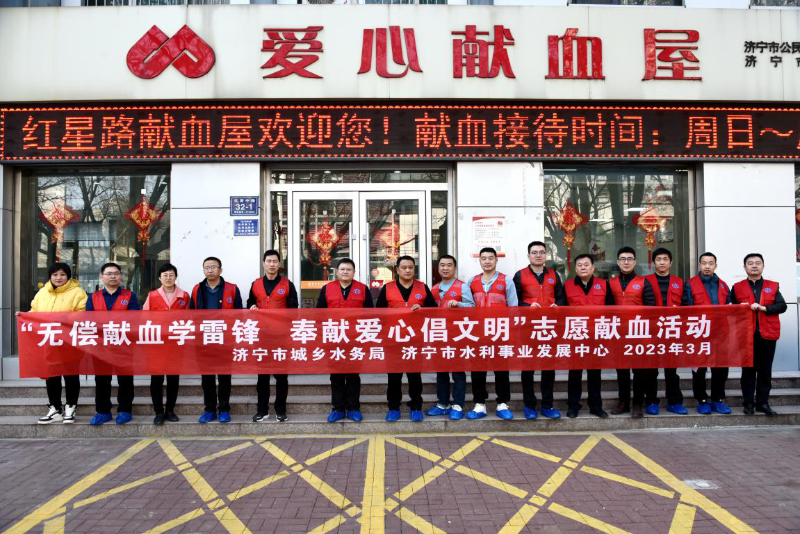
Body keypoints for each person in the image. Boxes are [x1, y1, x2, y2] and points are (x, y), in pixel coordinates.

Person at [375, 255, 437, 422]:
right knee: (394, 376)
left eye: (411, 267)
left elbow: (434, 310)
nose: (407, 270)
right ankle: (393, 407)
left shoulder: (422, 287)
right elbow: (379, 313)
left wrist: (422, 309)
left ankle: (416, 406)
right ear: (397, 270)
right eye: (404, 267)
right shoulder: (388, 288)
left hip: (415, 339)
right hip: (393, 339)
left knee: (414, 375)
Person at [28, 262, 88, 424]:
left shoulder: (78, 292)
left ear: (68, 276)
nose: (58, 278)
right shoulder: (43, 292)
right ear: (50, 276)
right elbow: (34, 312)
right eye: (55, 275)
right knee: (52, 376)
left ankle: (70, 407)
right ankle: (55, 408)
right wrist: (24, 316)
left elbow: (83, 313)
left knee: (71, 375)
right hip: (49, 342)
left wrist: (61, 319)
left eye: (62, 274)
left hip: (70, 342)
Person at [512, 240, 566, 420]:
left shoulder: (554, 274)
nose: (538, 255)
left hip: (549, 327)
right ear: (528, 256)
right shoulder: (520, 275)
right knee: (528, 368)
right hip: (528, 328)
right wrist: (527, 306)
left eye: (541, 252)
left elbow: (561, 297)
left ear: (546, 255)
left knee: (548, 367)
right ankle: (529, 405)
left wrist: (557, 306)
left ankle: (547, 405)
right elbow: (514, 301)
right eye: (534, 252)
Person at [317, 258, 373, 423]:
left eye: (349, 269)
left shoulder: (362, 289)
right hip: (334, 338)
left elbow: (370, 314)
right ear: (337, 272)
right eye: (342, 269)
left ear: (354, 272)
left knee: (353, 375)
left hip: (356, 339)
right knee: (336, 375)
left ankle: (354, 408)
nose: (345, 272)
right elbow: (319, 313)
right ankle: (338, 408)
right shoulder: (327, 289)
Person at [731, 253, 787, 416]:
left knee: (765, 371)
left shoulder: (773, 286)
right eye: (750, 263)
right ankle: (748, 403)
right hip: (746, 335)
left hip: (767, 335)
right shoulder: (737, 287)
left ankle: (763, 403)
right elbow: (730, 309)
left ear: (763, 266)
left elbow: (782, 306)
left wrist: (764, 308)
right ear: (745, 267)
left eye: (757, 263)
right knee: (748, 371)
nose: (754, 266)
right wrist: (739, 307)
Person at [466, 247, 518, 420]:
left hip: (499, 332)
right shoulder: (472, 281)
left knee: (501, 369)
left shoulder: (506, 280)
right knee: (478, 369)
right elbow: (468, 306)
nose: (487, 261)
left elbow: (513, 308)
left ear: (496, 260)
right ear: (479, 260)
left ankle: (502, 403)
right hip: (477, 333)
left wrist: (510, 332)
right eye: (484, 258)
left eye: (490, 258)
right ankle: (479, 404)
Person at [87, 262, 141, 425]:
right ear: (101, 276)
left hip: (123, 345)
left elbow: (135, 318)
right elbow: (88, 320)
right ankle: (103, 411)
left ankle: (125, 410)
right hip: (100, 346)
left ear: (121, 277)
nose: (112, 276)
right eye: (109, 273)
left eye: (116, 273)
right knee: (101, 380)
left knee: (125, 379)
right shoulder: (93, 297)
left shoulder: (129, 296)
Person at [191, 257, 243, 424]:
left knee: (224, 376)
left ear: (220, 270)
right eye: (207, 267)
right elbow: (191, 314)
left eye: (213, 267)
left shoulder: (232, 289)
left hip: (225, 340)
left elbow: (239, 315)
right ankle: (209, 410)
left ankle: (224, 409)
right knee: (207, 377)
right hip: (204, 339)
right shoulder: (197, 289)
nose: (210, 270)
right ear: (203, 270)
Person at [247, 250, 298, 423]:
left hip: (280, 337)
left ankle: (280, 410)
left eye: (275, 261)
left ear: (279, 264)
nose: (271, 264)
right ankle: (262, 410)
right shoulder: (256, 284)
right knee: (262, 376)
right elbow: (249, 302)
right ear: (263, 263)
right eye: (268, 261)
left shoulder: (287, 284)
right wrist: (252, 306)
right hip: (261, 336)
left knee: (281, 376)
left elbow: (293, 309)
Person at [608, 247, 657, 419]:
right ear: (618, 262)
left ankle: (637, 403)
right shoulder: (610, 283)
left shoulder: (644, 282)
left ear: (635, 262)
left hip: (638, 333)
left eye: (629, 259)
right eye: (623, 259)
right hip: (618, 333)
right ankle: (623, 402)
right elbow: (606, 308)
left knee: (639, 371)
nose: (626, 262)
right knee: (621, 371)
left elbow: (651, 308)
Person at [682, 252, 732, 415]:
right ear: (699, 265)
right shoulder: (689, 284)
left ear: (716, 265)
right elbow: (687, 309)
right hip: (699, 333)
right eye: (704, 263)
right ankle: (701, 399)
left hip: (720, 333)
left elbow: (730, 307)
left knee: (721, 368)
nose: (707, 266)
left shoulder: (723, 285)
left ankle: (718, 399)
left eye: (711, 263)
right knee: (699, 369)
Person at [427, 255, 475, 421]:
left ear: (454, 268)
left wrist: (459, 304)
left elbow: (473, 307)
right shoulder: (434, 288)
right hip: (439, 335)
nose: (445, 268)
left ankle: (458, 405)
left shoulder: (463, 287)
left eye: (449, 265)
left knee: (458, 372)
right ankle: (443, 404)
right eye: (442, 265)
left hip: (458, 335)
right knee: (441, 371)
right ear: (438, 268)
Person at [643, 248, 688, 415]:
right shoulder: (645, 281)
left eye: (665, 259)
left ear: (671, 262)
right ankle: (651, 401)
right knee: (651, 369)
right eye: (658, 259)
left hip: (672, 330)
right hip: (651, 331)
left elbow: (687, 306)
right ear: (653, 263)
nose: (662, 262)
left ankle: (674, 402)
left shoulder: (680, 282)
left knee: (671, 370)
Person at [143, 263, 189, 426]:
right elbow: (144, 318)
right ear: (159, 278)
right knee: (156, 379)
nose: (168, 278)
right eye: (165, 275)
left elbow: (189, 318)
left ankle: (170, 410)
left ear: (175, 277)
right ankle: (158, 412)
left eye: (171, 275)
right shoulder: (152, 295)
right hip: (156, 344)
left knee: (173, 379)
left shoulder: (184, 296)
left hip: (175, 344)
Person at [564, 254, 610, 419]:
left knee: (595, 373)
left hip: (596, 335)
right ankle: (573, 406)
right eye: (579, 265)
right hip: (575, 335)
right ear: (575, 269)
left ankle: (596, 406)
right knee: (574, 373)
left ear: (593, 268)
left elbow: (611, 310)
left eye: (586, 264)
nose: (583, 267)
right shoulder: (567, 285)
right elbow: (562, 311)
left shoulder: (604, 285)